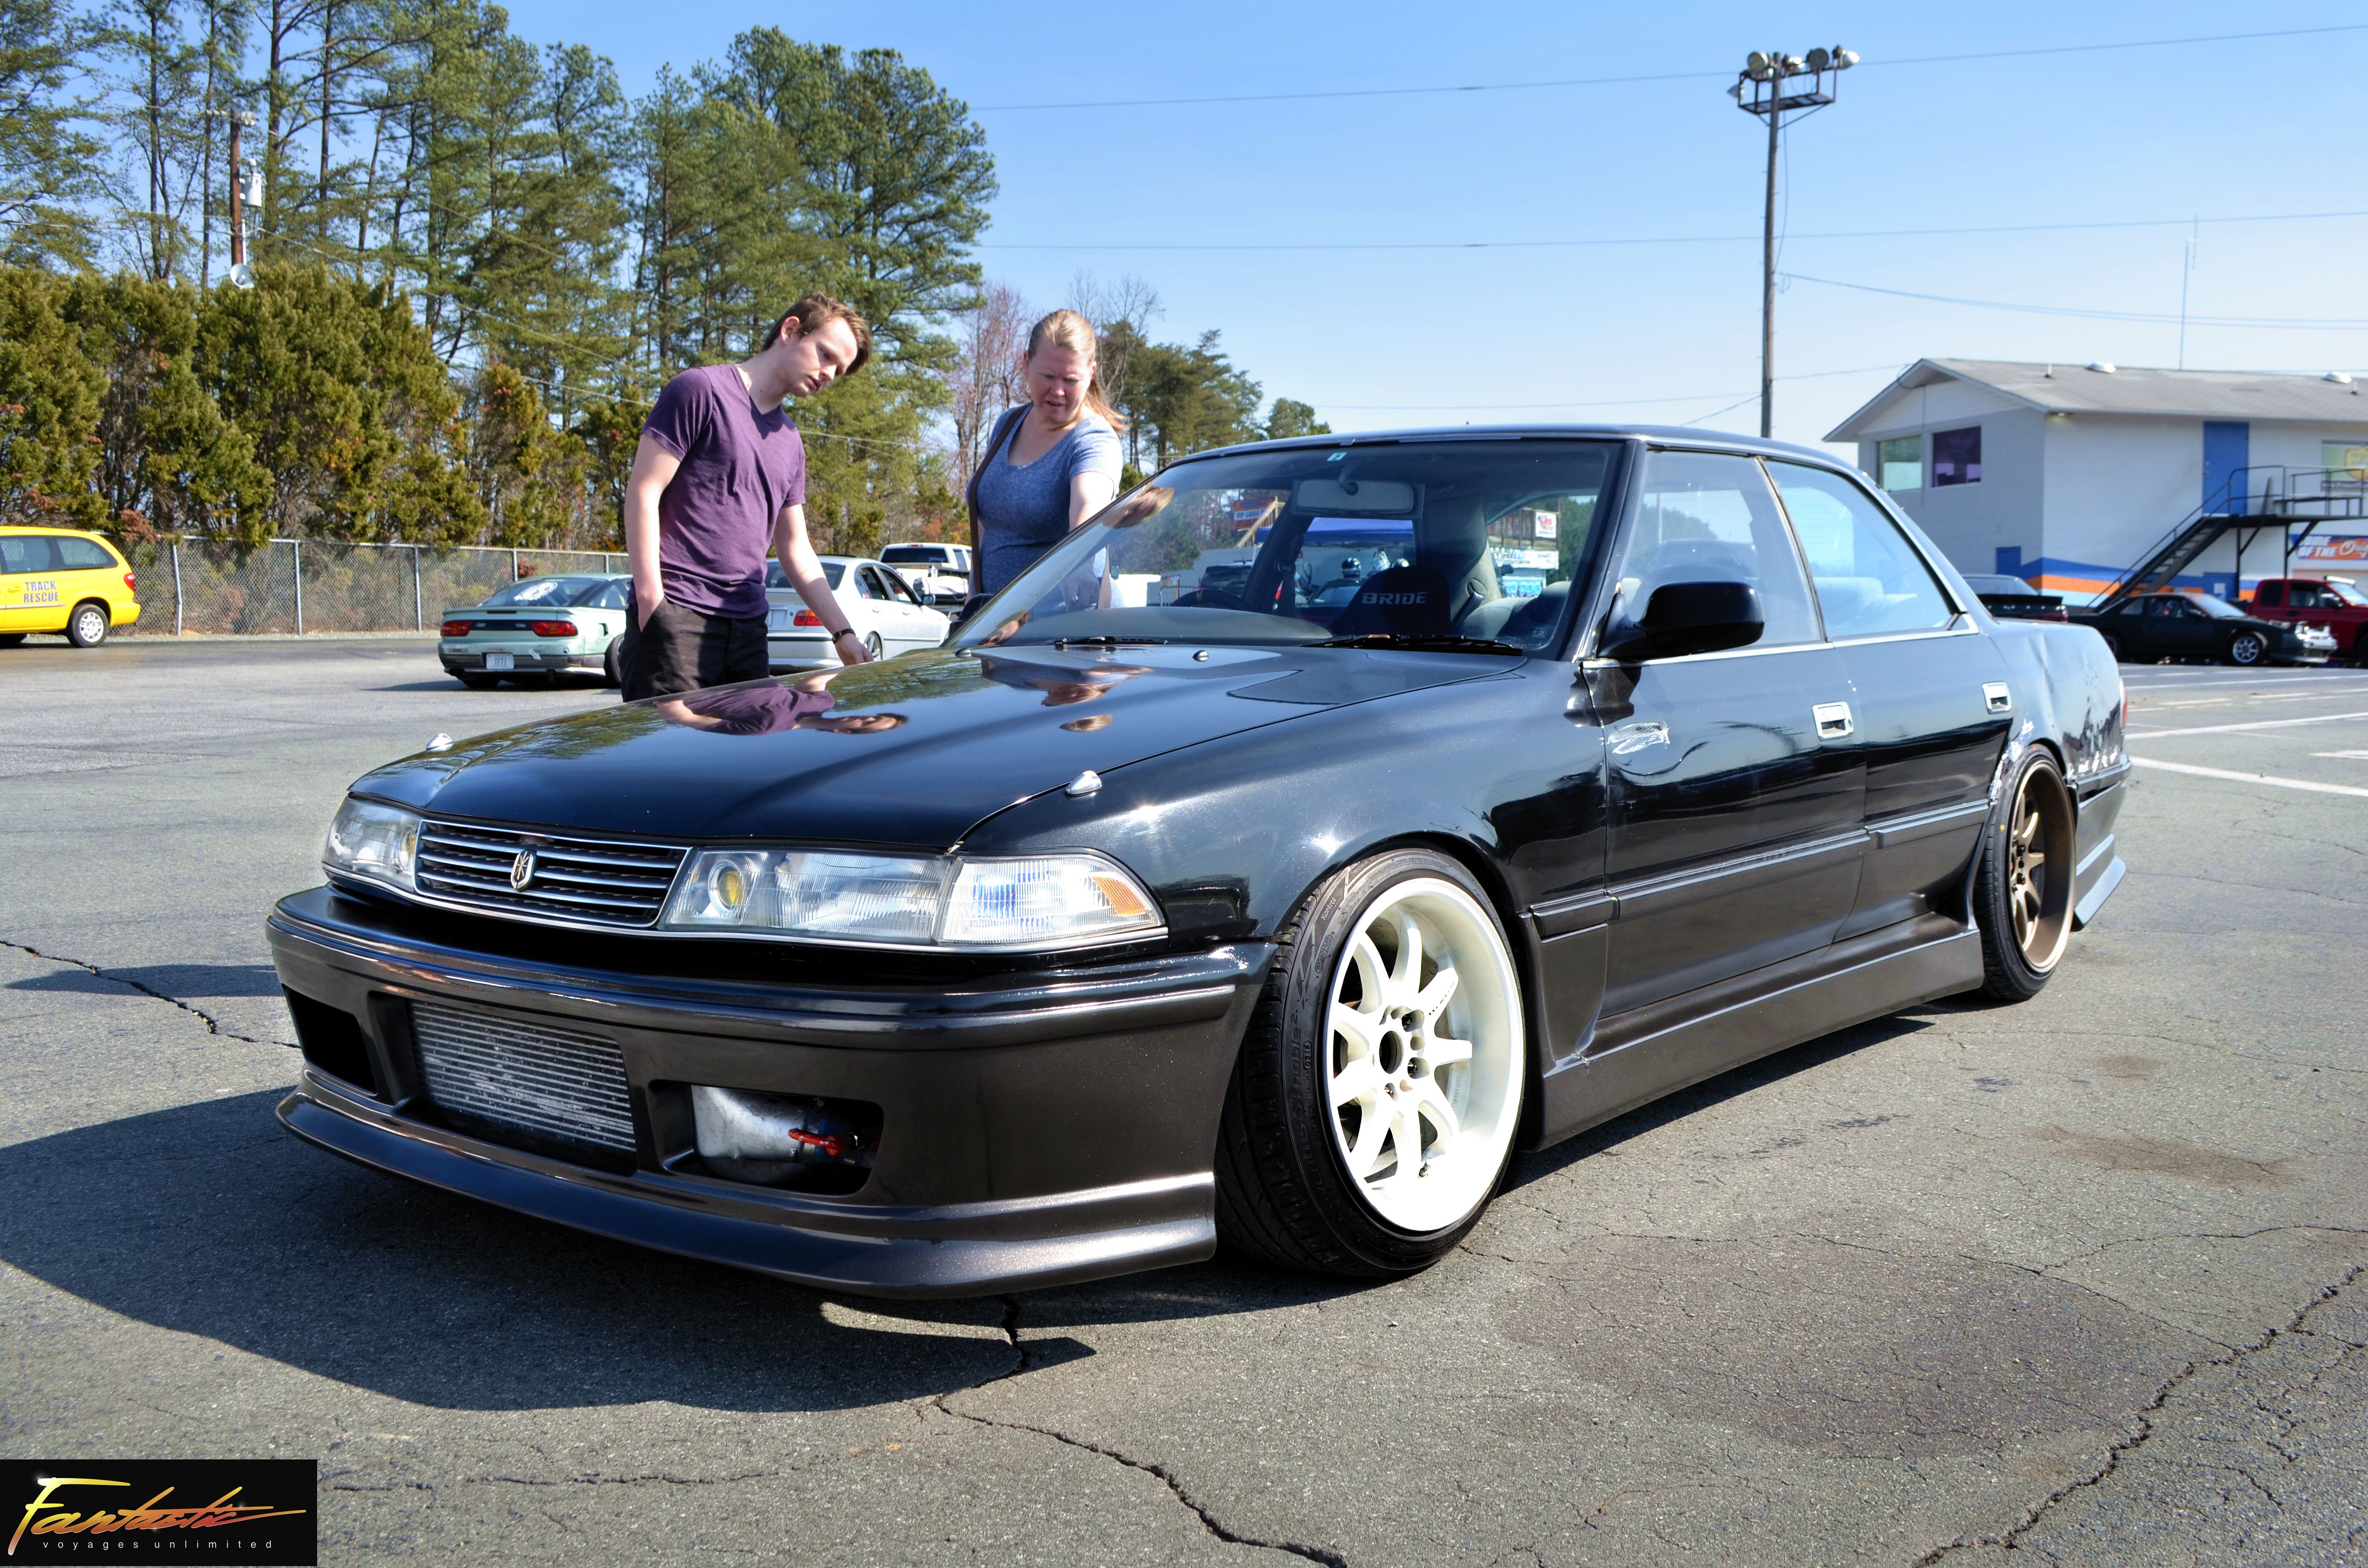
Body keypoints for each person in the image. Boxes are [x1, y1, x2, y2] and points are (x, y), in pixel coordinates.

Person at [619, 293, 875, 700]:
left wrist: (842, 633)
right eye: (826, 354)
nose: (829, 374)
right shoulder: (699, 390)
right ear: (791, 330)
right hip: (677, 620)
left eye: (838, 370)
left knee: (756, 744)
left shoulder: (791, 442)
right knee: (672, 745)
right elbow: (644, 491)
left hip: (748, 633)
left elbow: (795, 549)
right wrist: (653, 604)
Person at [967, 309, 1126, 598]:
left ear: (1091, 373)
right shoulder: (1007, 425)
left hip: (1065, 623)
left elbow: (1089, 505)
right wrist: (973, 600)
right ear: (1026, 364)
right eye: (1048, 376)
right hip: (993, 619)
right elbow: (987, 528)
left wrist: (1080, 560)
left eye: (1071, 380)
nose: (1058, 391)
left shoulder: (1094, 439)